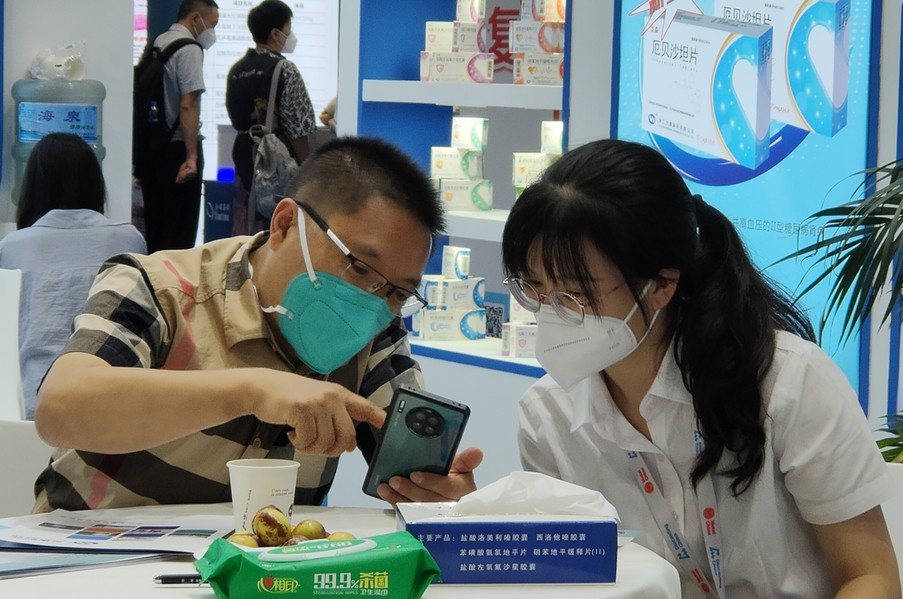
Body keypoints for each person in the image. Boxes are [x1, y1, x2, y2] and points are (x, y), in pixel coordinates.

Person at [499, 139, 900, 598]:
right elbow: (567, 582)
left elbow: (872, 578)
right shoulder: (547, 417)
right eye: (534, 287)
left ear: (661, 285)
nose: (551, 312)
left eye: (576, 294)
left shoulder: (788, 383)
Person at [33, 136, 482, 512]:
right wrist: (253, 391)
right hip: (92, 554)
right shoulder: (158, 286)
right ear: (285, 224)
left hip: (260, 569)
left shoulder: (375, 334)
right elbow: (61, 408)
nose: (373, 301)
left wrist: (442, 492)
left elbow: (413, 465)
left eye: (398, 292)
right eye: (360, 267)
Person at [0, 133, 146, 420]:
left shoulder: (13, 247)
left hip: (31, 404)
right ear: (93, 182)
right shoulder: (128, 240)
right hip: (114, 402)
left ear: (33, 186)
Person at [226, 0, 317, 236]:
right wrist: (308, 171)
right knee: (278, 230)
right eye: (289, 28)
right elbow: (298, 129)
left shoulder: (236, 70)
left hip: (245, 161)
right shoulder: (285, 69)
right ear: (275, 34)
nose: (291, 35)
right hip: (278, 166)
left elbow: (235, 117)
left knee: (246, 229)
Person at [138, 0, 219, 253]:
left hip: (153, 150)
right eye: (212, 24)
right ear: (195, 18)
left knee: (156, 233)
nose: (212, 32)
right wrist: (192, 156)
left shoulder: (159, 42)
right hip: (177, 153)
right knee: (179, 239)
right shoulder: (189, 48)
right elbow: (188, 103)